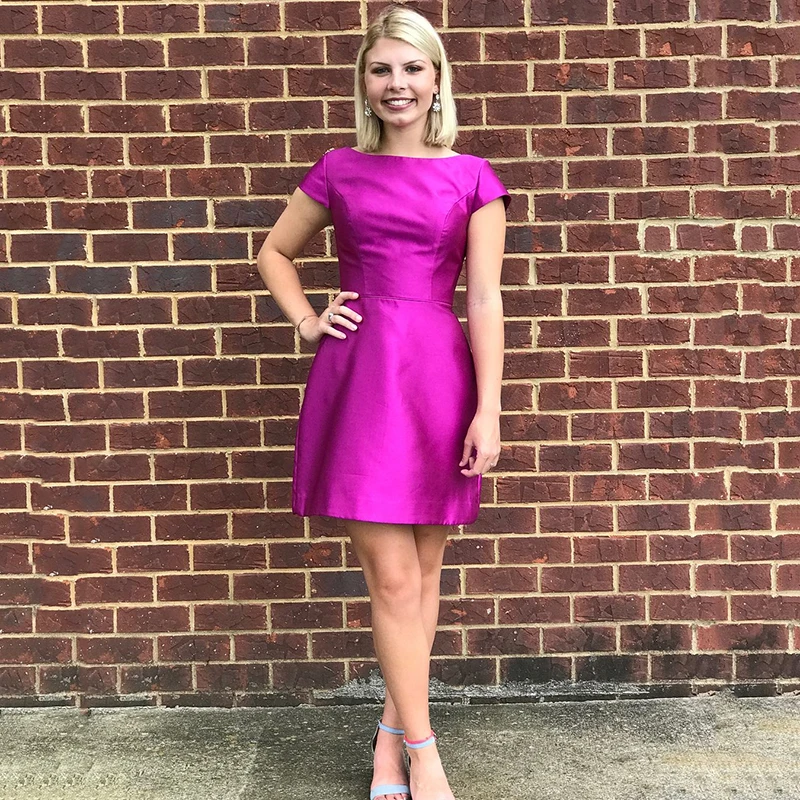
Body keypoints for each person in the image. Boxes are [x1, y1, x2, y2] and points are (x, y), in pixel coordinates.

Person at [257, 5, 509, 799]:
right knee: (394, 581)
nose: (397, 83)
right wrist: (307, 320)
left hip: (438, 381)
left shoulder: (474, 178)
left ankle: (389, 739)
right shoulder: (339, 169)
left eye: (412, 68)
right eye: (381, 69)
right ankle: (424, 752)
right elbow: (274, 251)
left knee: (426, 575)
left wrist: (488, 409)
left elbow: (485, 300)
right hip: (363, 379)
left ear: (437, 80)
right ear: (364, 83)